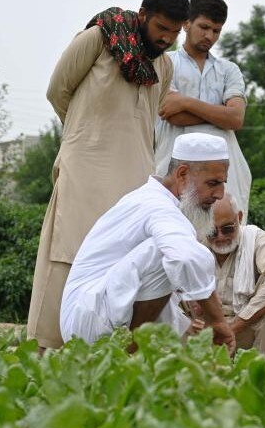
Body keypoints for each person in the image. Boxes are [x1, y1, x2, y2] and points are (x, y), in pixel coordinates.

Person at [27, 0, 190, 351]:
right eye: (161, 28)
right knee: (68, 254)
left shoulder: (162, 66)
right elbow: (58, 90)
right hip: (84, 169)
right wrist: (84, 135)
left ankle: (113, 347)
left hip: (133, 179)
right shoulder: (98, 39)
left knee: (123, 262)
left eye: (174, 33)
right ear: (144, 15)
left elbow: (150, 116)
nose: (167, 39)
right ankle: (49, 345)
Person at [60, 133, 235, 352]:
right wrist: (216, 319)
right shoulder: (157, 206)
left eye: (222, 184)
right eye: (213, 183)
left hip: (94, 316)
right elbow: (185, 257)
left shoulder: (157, 202)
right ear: (182, 174)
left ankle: (133, 353)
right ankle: (126, 356)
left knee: (169, 251)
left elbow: (148, 288)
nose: (220, 194)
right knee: (166, 252)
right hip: (87, 322)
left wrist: (186, 330)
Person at [154, 0, 251, 218]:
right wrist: (220, 114)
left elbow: (236, 119)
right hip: (175, 164)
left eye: (216, 30)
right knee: (175, 232)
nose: (209, 35)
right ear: (187, 23)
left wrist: (185, 102)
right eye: (204, 27)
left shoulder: (229, 70)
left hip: (227, 169)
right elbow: (171, 114)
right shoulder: (165, 62)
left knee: (225, 233)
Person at [189, 193, 265, 355]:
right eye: (212, 232)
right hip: (207, 331)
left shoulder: (255, 239)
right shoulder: (196, 245)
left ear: (239, 218)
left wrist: (234, 327)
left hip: (249, 330)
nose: (220, 237)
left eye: (227, 229)